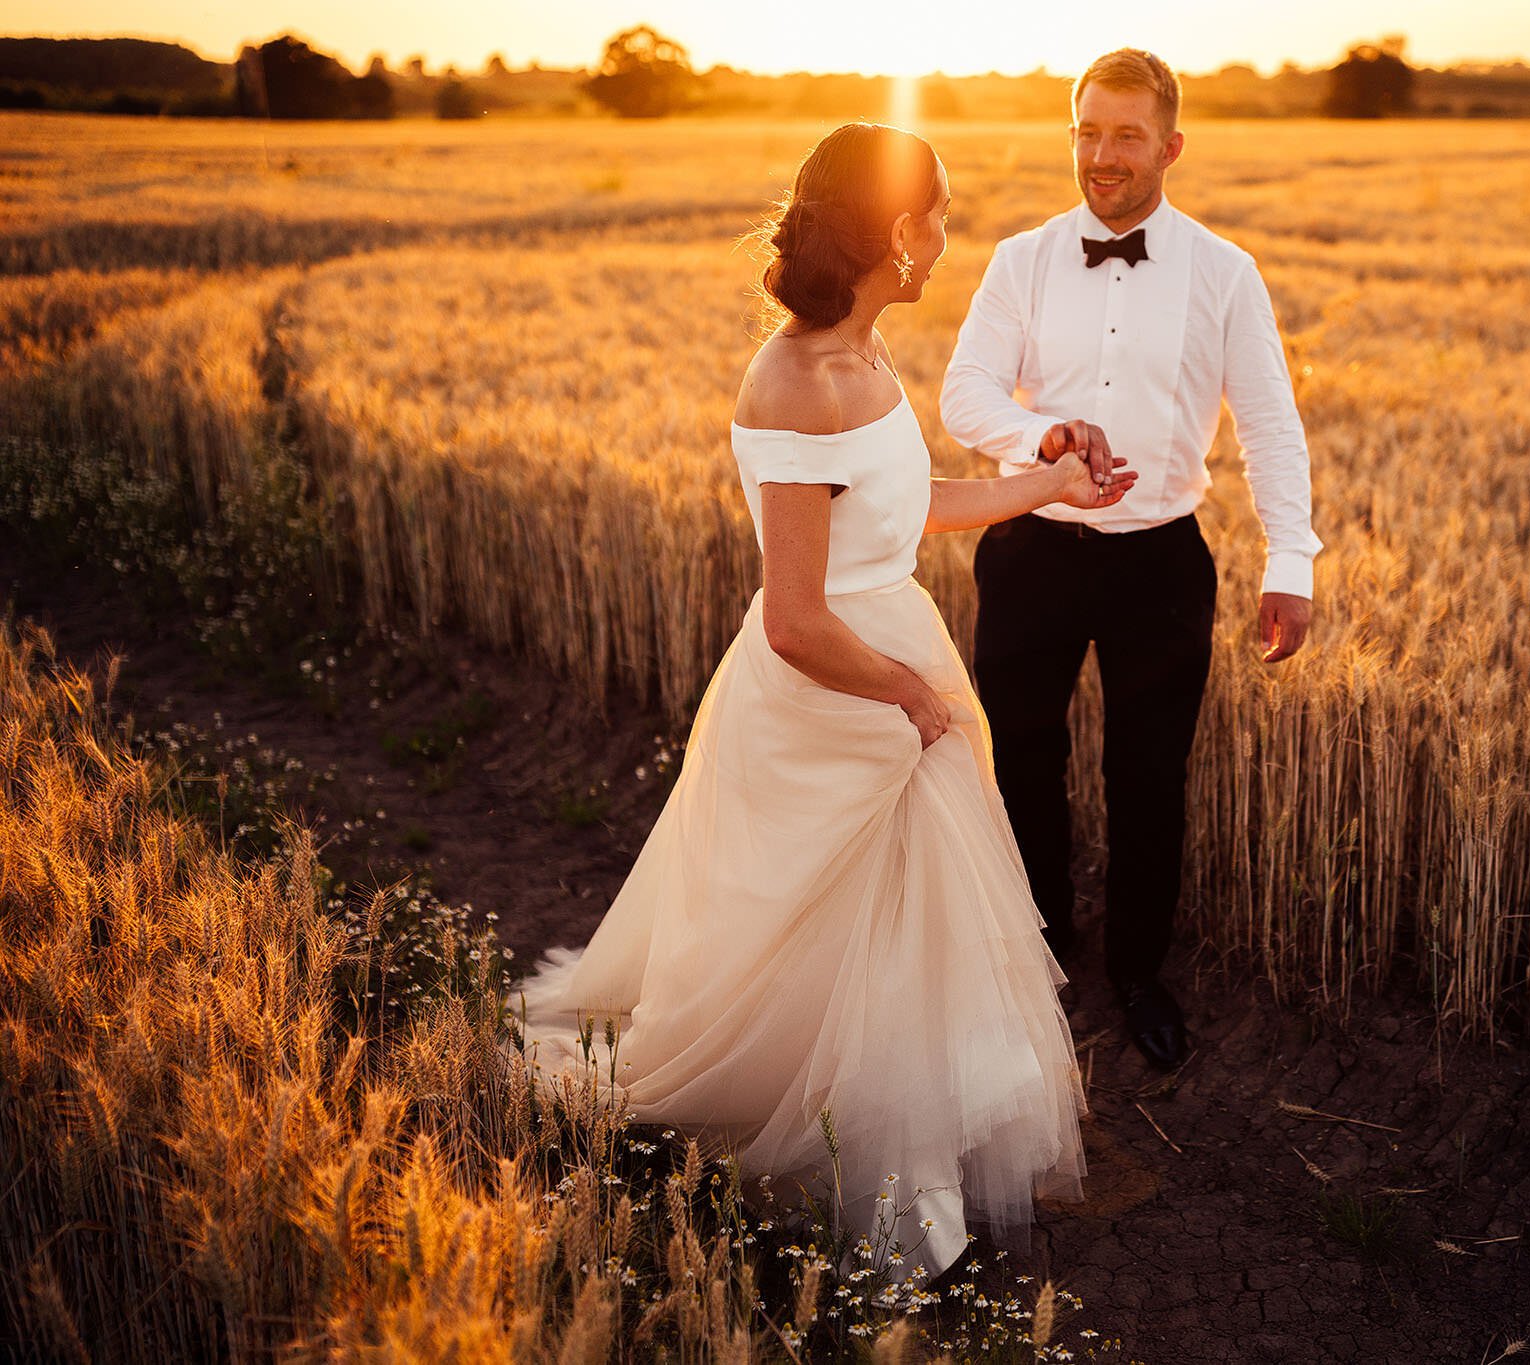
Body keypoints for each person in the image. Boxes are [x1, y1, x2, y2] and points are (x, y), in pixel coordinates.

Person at [511, 122, 1131, 1287]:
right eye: (936, 217)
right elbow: (795, 618)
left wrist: (1046, 485)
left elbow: (904, 506)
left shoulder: (868, 362)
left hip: (893, 665)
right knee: (824, 939)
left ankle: (914, 1163)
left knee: (909, 936)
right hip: (829, 694)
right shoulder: (793, 380)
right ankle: (850, 1170)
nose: (946, 240)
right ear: (895, 233)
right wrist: (907, 692)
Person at [940, 49, 1322, 1072]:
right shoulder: (1018, 260)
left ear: (1168, 146)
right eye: (1084, 131)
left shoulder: (1223, 272)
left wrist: (1292, 558)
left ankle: (1139, 973)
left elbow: (1271, 428)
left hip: (1161, 564)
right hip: (1029, 553)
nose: (1099, 156)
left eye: (1123, 135)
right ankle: (1039, 948)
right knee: (1021, 758)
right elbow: (963, 394)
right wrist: (1046, 438)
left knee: (1149, 778)